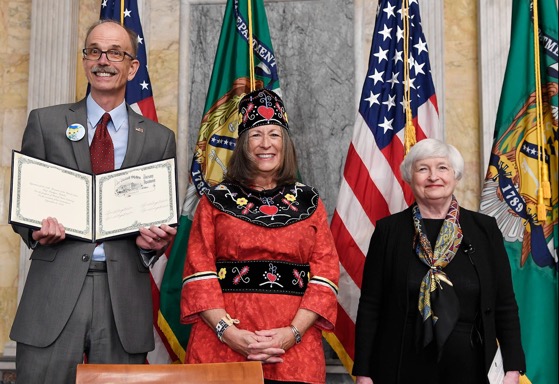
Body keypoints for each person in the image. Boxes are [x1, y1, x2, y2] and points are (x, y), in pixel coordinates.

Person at [10, 19, 177, 384]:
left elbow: (161, 218)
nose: (104, 60)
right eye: (95, 51)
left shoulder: (159, 139)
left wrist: (156, 242)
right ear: (85, 61)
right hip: (54, 288)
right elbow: (26, 203)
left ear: (133, 67)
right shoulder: (46, 123)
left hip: (123, 295)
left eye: (115, 52)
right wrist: (34, 229)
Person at [180, 88, 340, 384]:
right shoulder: (214, 200)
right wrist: (230, 335)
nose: (265, 144)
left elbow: (325, 278)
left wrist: (291, 334)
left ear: (286, 143)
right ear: (242, 144)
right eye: (256, 135)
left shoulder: (311, 203)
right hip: (223, 348)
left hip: (294, 352)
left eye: (274, 135)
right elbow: (198, 275)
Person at [352, 139, 526, 384]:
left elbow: (505, 303)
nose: (433, 176)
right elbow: (371, 305)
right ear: (410, 178)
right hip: (401, 364)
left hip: (472, 365)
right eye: (423, 169)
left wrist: (513, 367)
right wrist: (364, 372)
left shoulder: (484, 229)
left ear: (455, 176)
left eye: (442, 168)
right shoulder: (388, 231)